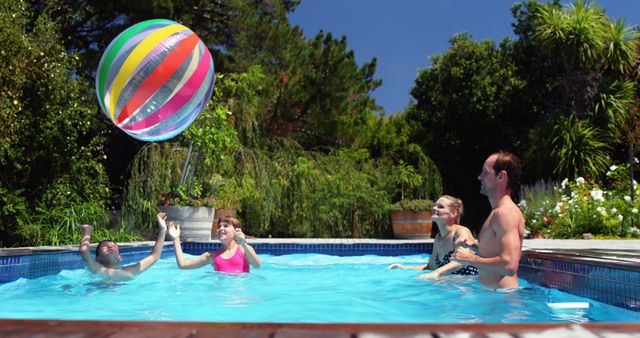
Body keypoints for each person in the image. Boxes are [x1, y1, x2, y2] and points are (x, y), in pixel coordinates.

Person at [453, 151, 525, 289]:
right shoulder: (497, 212)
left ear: (501, 176)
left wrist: (469, 259)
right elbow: (496, 253)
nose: (480, 177)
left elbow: (509, 265)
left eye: (485, 172)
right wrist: (474, 246)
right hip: (493, 298)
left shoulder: (506, 213)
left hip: (502, 300)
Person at [388, 195, 478, 278]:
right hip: (453, 285)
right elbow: (430, 267)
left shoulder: (461, 232)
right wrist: (405, 268)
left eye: (440, 207)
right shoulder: (438, 238)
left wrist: (436, 273)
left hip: (469, 285)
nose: (435, 208)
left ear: (453, 213)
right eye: (435, 205)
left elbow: (463, 260)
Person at [77, 212, 167, 281]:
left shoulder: (130, 271)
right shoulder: (97, 269)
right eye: (105, 246)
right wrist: (88, 231)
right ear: (97, 259)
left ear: (120, 257)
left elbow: (155, 256)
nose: (110, 246)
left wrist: (163, 230)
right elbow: (84, 250)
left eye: (113, 246)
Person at [168, 216, 261, 273]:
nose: (220, 228)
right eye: (219, 226)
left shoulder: (244, 249)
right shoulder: (211, 256)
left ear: (236, 231)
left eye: (225, 226)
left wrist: (243, 244)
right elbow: (183, 265)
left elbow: (256, 265)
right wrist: (176, 239)